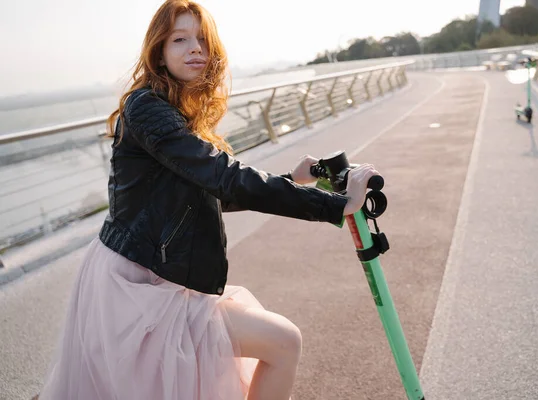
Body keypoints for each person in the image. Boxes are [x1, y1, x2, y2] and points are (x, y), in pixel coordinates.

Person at [37, 1, 378, 399]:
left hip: (155, 274)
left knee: (274, 346)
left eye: (202, 40)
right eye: (179, 39)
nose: (194, 48)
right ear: (159, 52)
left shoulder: (172, 108)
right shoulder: (146, 107)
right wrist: (335, 205)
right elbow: (223, 176)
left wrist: (292, 180)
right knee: (283, 342)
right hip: (137, 285)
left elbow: (206, 190)